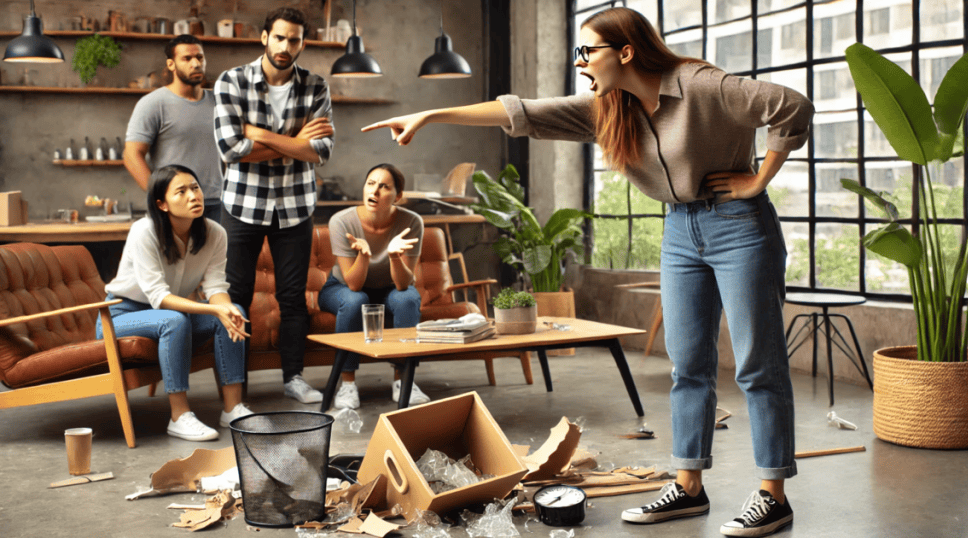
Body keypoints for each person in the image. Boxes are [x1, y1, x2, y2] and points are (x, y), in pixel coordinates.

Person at [362, 7, 812, 537]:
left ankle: (772, 495)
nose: (579, 62)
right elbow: (521, 111)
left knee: (757, 364)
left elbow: (791, 106)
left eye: (586, 51)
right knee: (688, 365)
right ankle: (689, 486)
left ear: (625, 52)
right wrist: (431, 116)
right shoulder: (607, 107)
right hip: (679, 231)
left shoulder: (699, 84)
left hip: (738, 225)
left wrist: (759, 179)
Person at [214, 7, 334, 405]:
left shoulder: (315, 87)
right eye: (279, 37)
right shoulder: (231, 81)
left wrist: (261, 134)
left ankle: (293, 378)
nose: (286, 46)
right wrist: (294, 140)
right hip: (241, 205)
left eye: (294, 39)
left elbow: (320, 151)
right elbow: (231, 148)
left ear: (303, 43)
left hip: (295, 206)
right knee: (236, 297)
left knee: (293, 297)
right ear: (264, 37)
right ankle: (236, 388)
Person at [99, 165, 252, 442]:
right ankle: (179, 416)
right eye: (180, 192)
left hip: (169, 313)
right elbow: (159, 297)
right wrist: (213, 309)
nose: (193, 196)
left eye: (195, 188)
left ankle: (233, 409)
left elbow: (216, 287)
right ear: (162, 204)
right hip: (120, 317)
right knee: (175, 319)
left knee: (234, 311)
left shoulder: (215, 233)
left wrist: (224, 308)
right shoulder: (144, 231)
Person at [318, 164, 429, 410]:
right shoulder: (342, 222)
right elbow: (354, 284)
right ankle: (347, 384)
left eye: (384, 186)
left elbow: (403, 284)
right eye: (370, 183)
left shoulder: (412, 222)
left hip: (390, 288)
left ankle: (403, 381)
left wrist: (393, 257)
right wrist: (365, 257)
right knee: (356, 300)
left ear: (398, 197)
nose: (375, 191)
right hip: (341, 288)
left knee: (408, 299)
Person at [124, 34, 225, 222]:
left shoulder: (219, 102)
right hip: (175, 204)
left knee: (217, 253)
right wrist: (160, 197)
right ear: (171, 64)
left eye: (200, 57)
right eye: (187, 58)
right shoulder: (153, 103)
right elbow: (131, 156)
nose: (195, 63)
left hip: (216, 204)